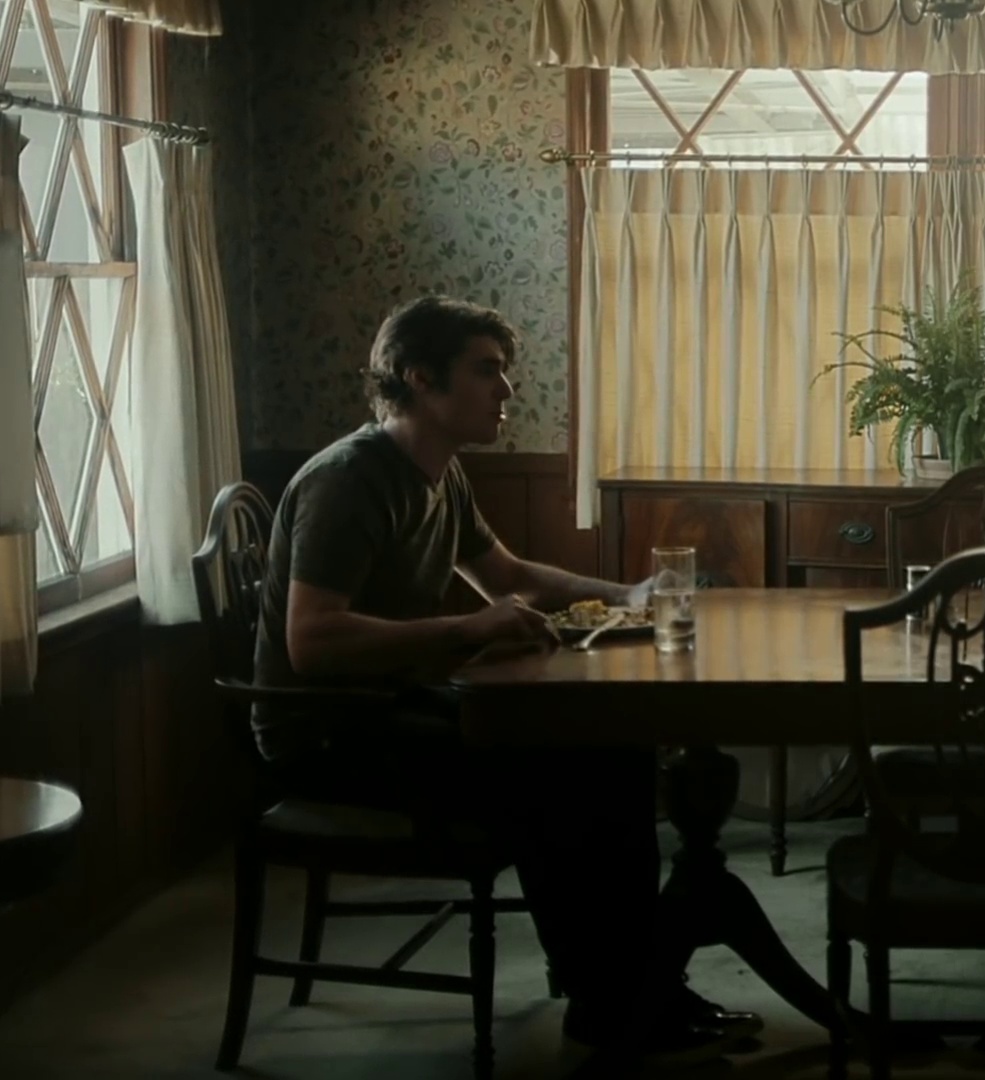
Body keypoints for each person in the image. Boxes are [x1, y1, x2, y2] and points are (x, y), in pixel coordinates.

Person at [251, 295, 758, 1067]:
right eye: (487, 371)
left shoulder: (439, 472)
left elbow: (508, 576)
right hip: (327, 739)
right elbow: (311, 642)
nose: (507, 390)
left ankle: (637, 989)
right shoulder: (350, 480)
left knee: (615, 750)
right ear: (420, 378)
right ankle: (613, 1004)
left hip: (393, 710)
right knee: (562, 775)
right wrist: (468, 631)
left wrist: (627, 594)